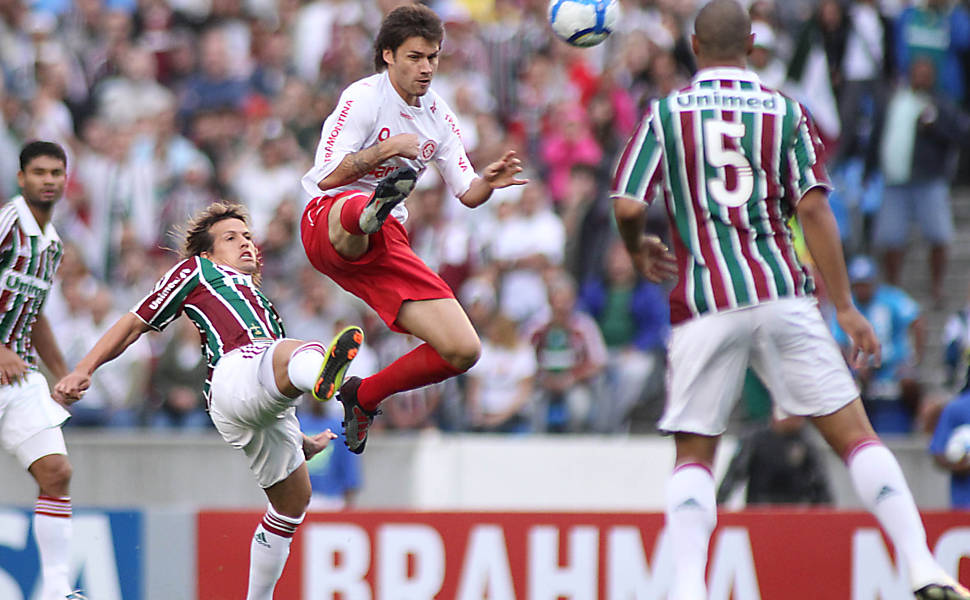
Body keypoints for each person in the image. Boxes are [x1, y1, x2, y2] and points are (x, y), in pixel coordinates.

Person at [609, 2, 969, 599]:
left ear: (694, 47)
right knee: (856, 438)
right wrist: (847, 307)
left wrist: (639, 245)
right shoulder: (784, 110)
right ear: (752, 43)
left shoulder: (666, 113)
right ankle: (920, 565)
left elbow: (626, 205)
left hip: (704, 302)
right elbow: (813, 208)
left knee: (696, 452)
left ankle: (690, 588)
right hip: (782, 293)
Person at [53, 202, 364, 600]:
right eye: (231, 238)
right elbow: (134, 322)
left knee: (293, 501)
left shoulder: (261, 303)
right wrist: (85, 368)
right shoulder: (197, 271)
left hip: (263, 398)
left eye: (248, 236)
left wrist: (300, 441)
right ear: (207, 252)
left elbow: (267, 391)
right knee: (297, 350)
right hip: (233, 374)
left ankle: (258, 597)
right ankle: (339, 387)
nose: (245, 243)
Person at [299, 4, 526, 454]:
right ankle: (371, 209)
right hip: (327, 222)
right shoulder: (362, 98)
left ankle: (363, 397)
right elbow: (325, 177)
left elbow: (466, 192)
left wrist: (489, 183)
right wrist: (382, 151)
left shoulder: (439, 117)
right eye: (415, 57)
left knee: (463, 349)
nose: (426, 68)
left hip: (386, 242)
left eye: (433, 58)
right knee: (355, 208)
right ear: (388, 55)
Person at [0, 141, 85, 600]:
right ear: (21, 178)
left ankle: (56, 591)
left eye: (56, 172)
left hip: (19, 377)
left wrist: (62, 373)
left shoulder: (51, 243)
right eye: (39, 172)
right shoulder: (8, 223)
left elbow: (35, 312)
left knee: (56, 472)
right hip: (3, 360)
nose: (48, 180)